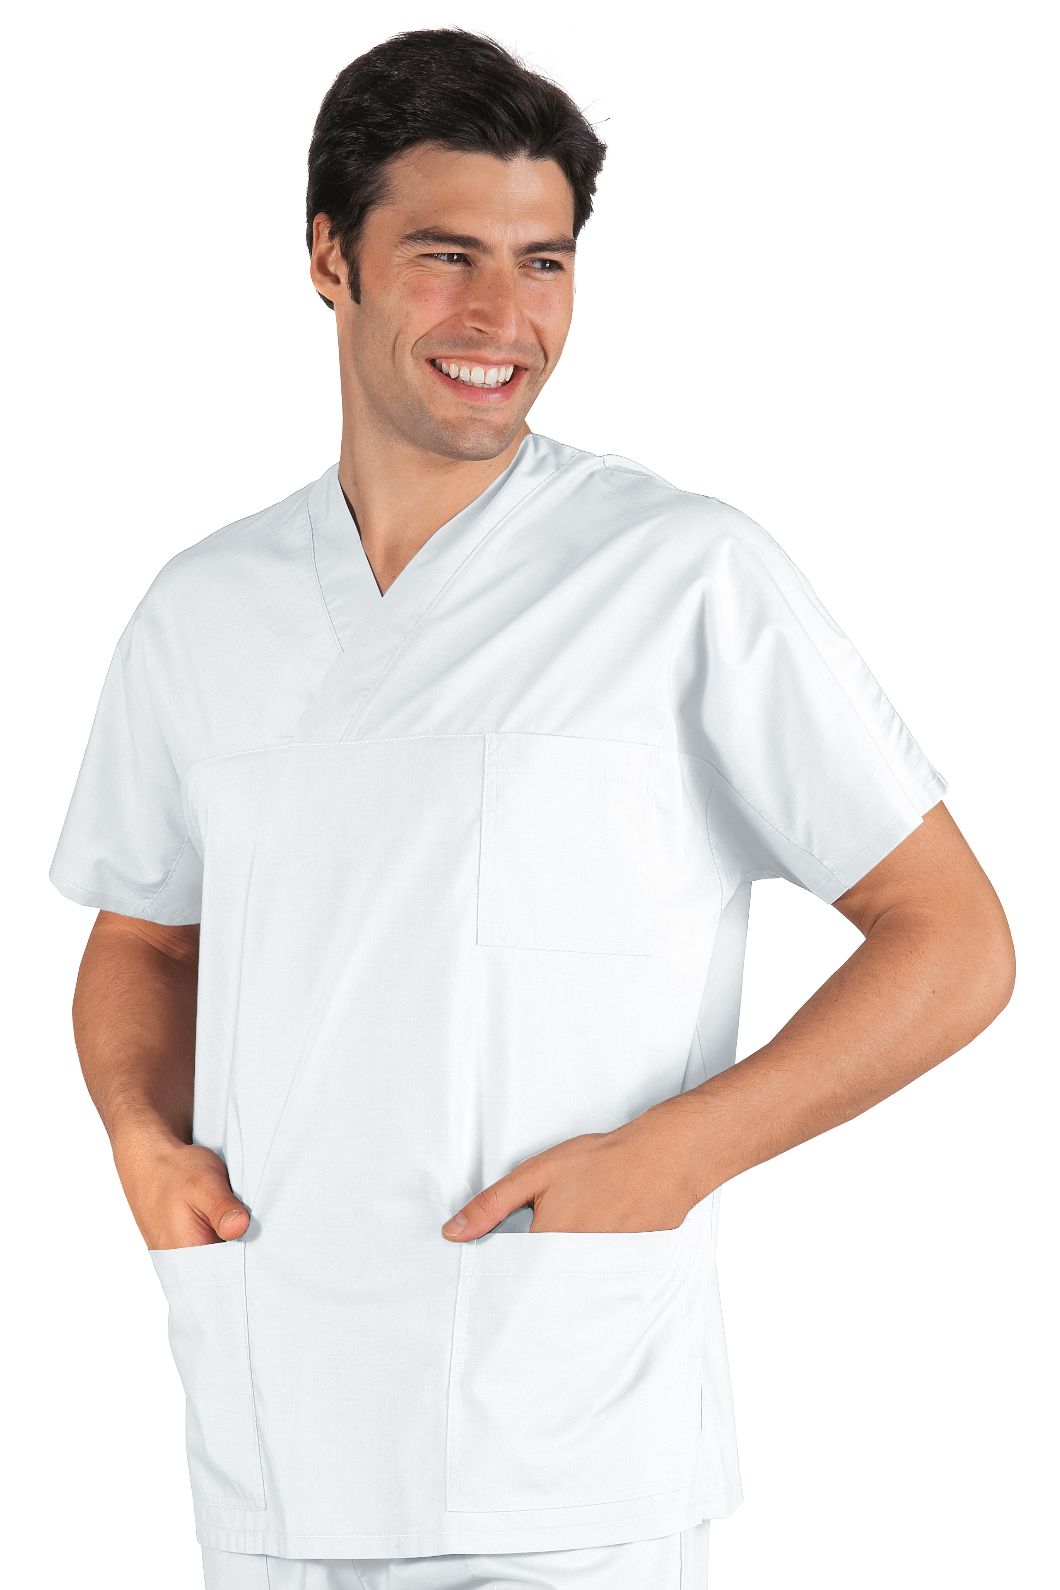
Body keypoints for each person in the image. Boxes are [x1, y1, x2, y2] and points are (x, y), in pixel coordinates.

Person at [50, 27, 1015, 1590]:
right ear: (329, 258)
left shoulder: (682, 574)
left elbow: (954, 939)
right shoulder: (200, 612)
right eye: (447, 256)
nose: (503, 317)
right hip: (277, 1425)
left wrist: (673, 1156)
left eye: (544, 263)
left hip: (568, 1430)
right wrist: (137, 1136)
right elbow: (145, 936)